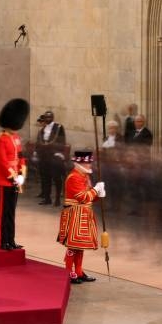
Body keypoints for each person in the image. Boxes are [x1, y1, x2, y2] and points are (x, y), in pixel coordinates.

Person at [57, 150, 104, 285]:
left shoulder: (84, 177)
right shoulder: (74, 177)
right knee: (73, 246)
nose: (89, 165)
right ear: (79, 163)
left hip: (84, 214)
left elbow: (90, 199)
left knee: (80, 246)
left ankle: (78, 270)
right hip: (75, 213)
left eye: (89, 162)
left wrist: (99, 194)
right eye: (86, 163)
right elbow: (83, 197)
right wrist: (95, 190)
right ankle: (68, 271)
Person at [0, 99, 28, 251]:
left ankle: (11, 240)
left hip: (15, 180)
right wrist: (14, 177)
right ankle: (3, 241)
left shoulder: (16, 138)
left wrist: (21, 175)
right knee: (3, 212)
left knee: (11, 211)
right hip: (3, 179)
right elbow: (2, 162)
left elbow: (21, 157)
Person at [34, 110, 67, 207]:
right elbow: (38, 142)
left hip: (54, 155)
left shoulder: (59, 128)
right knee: (45, 177)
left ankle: (57, 198)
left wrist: (54, 149)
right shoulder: (42, 130)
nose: (48, 119)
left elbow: (62, 142)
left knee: (56, 178)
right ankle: (47, 198)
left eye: (49, 117)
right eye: (46, 117)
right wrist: (37, 151)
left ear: (52, 117)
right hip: (44, 156)